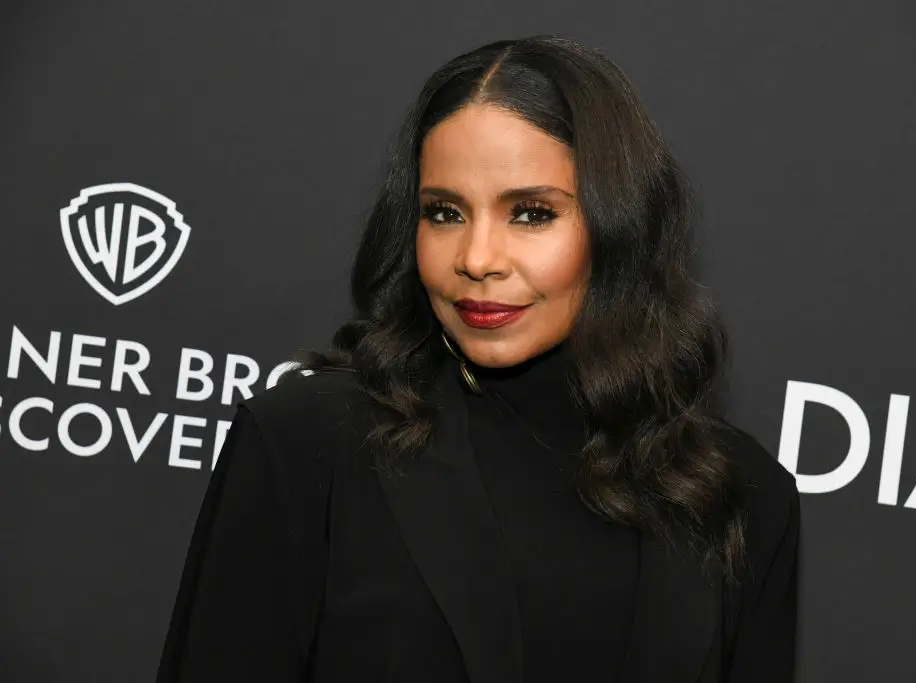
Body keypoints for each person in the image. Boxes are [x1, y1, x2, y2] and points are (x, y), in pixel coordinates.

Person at [156, 35, 800, 683]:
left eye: (530, 212)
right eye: (443, 212)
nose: (477, 257)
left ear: (618, 226)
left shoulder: (741, 494)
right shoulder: (305, 443)